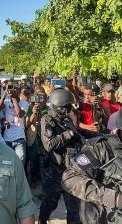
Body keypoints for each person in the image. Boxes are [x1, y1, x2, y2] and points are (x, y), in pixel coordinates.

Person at [38, 88, 82, 224]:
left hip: (70, 169)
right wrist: (67, 135)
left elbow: (77, 135)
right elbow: (49, 144)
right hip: (54, 169)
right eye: (68, 106)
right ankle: (42, 220)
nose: (70, 108)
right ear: (62, 106)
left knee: (74, 206)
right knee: (51, 202)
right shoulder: (48, 119)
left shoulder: (66, 119)